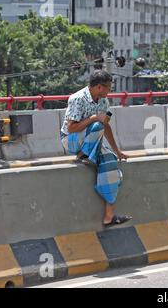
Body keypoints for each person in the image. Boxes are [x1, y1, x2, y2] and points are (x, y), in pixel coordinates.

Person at [60, 70, 132, 228]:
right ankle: (86, 155)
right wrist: (93, 118)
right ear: (99, 87)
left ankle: (109, 215)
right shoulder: (77, 99)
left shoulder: (103, 102)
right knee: (97, 124)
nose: (110, 91)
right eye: (108, 88)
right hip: (71, 141)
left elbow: (106, 127)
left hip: (93, 140)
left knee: (111, 162)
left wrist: (117, 151)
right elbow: (71, 128)